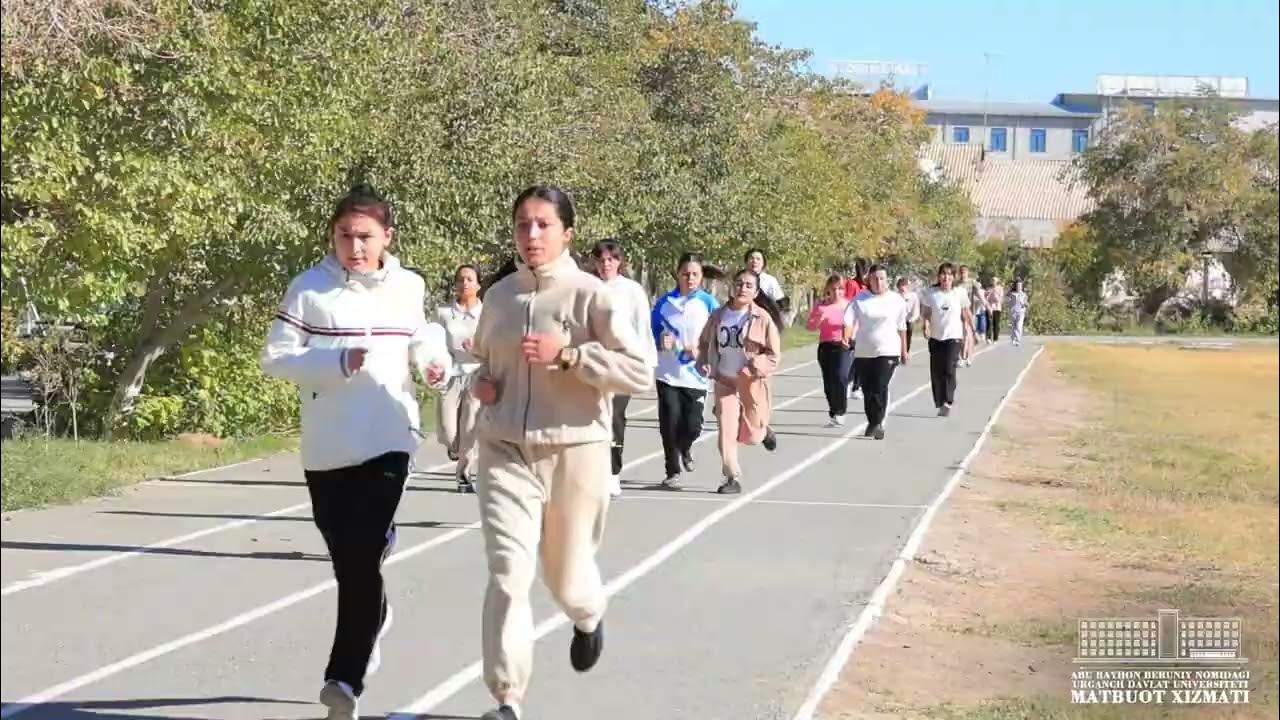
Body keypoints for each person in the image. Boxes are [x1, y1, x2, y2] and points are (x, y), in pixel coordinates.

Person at [261, 184, 451, 720]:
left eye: (365, 236)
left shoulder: (408, 287)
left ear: (387, 236)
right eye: (345, 235)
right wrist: (336, 361)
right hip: (328, 445)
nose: (355, 245)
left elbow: (424, 340)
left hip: (390, 436)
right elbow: (276, 358)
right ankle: (377, 613)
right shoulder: (310, 290)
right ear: (333, 238)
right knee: (348, 561)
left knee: (363, 557)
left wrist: (435, 366)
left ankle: (343, 679)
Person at [468, 186, 652, 720]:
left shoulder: (593, 295)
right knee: (508, 571)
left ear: (567, 232)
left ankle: (588, 614)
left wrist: (570, 355)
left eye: (543, 225)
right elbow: (487, 364)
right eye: (523, 225)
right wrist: (484, 385)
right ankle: (507, 697)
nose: (531, 235)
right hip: (504, 448)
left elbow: (639, 372)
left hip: (576, 451)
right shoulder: (499, 297)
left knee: (567, 578)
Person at [697, 269, 781, 493]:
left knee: (752, 436)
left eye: (748, 286)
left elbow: (773, 355)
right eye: (739, 284)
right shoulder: (718, 316)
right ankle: (731, 477)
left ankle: (764, 432)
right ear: (732, 287)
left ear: (755, 292)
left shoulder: (762, 318)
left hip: (750, 382)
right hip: (725, 380)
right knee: (726, 428)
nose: (743, 288)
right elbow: (704, 344)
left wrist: (757, 364)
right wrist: (704, 361)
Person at [590, 239, 657, 497]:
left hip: (622, 362)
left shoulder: (632, 291)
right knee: (592, 417)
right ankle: (592, 471)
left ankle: (612, 472)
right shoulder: (587, 287)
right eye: (601, 260)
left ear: (619, 261)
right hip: (593, 361)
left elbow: (642, 329)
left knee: (615, 416)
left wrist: (646, 365)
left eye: (611, 259)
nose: (606, 264)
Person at [651, 253, 719, 488]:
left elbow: (719, 335)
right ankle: (672, 470)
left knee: (692, 425)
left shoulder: (709, 303)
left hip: (697, 375)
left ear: (701, 277)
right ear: (677, 274)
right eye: (685, 274)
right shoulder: (664, 303)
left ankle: (685, 448)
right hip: (668, 373)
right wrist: (660, 339)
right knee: (669, 422)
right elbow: (650, 332)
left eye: (694, 274)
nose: (689, 278)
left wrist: (702, 351)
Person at [844, 265, 908, 440]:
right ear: (869, 280)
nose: (879, 282)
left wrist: (904, 350)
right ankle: (872, 422)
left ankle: (879, 422)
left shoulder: (896, 300)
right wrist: (846, 336)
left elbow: (902, 327)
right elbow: (849, 319)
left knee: (880, 385)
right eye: (875, 279)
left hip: (888, 350)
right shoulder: (860, 299)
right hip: (864, 351)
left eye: (882, 279)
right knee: (868, 389)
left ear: (887, 281)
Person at [437, 264, 484, 492]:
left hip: (477, 374)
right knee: (448, 432)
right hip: (451, 374)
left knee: (470, 428)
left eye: (469, 279)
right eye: (461, 279)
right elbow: (433, 343)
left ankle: (464, 474)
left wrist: (479, 347)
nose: (465, 283)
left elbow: (497, 345)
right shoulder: (444, 313)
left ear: (478, 284)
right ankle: (454, 448)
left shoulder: (487, 314)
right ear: (455, 284)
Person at [920, 263, 974, 418]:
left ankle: (948, 401)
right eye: (943, 274)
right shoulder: (931, 293)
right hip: (936, 336)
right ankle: (940, 401)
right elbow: (926, 312)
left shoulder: (959, 292)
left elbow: (966, 312)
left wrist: (973, 331)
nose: (946, 277)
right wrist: (925, 325)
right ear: (939, 276)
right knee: (937, 371)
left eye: (949, 274)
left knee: (949, 369)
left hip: (954, 336)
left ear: (953, 277)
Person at [807, 275, 853, 427]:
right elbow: (811, 327)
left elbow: (855, 324)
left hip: (843, 346)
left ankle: (841, 411)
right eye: (833, 289)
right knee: (829, 383)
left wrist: (848, 337)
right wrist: (819, 317)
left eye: (840, 289)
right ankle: (834, 411)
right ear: (828, 290)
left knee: (841, 377)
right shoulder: (821, 305)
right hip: (826, 347)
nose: (837, 292)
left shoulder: (849, 305)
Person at [843, 258, 869, 399]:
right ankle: (849, 382)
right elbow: (847, 306)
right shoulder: (852, 284)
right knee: (853, 357)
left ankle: (857, 386)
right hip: (854, 327)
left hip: (866, 328)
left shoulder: (869, 287)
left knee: (863, 358)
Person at [745, 247, 789, 313]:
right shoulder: (739, 278)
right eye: (752, 258)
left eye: (758, 259)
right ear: (746, 261)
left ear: (763, 263)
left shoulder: (770, 280)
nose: (754, 261)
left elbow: (780, 303)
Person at [957, 265, 982, 365]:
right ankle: (964, 356)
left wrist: (986, 304)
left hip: (969, 311)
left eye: (964, 272)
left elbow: (979, 294)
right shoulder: (957, 284)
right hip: (958, 312)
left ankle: (965, 357)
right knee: (961, 336)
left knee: (966, 334)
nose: (963, 274)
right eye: (961, 272)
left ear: (967, 273)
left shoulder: (972, 283)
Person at [896, 276, 921, 354]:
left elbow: (916, 311)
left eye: (905, 285)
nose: (903, 288)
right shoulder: (895, 296)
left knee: (909, 328)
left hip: (908, 320)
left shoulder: (913, 296)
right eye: (901, 285)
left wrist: (912, 319)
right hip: (897, 320)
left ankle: (906, 350)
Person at [1008, 279, 1030, 346]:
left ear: (1022, 286)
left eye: (1020, 285)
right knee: (1013, 327)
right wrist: (1009, 301)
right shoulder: (1011, 294)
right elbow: (1006, 301)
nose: (1019, 287)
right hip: (1013, 312)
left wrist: (1024, 304)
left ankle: (1018, 340)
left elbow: (1027, 304)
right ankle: (1013, 339)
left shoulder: (1024, 294)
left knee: (1019, 326)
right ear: (1015, 286)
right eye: (1017, 285)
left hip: (1021, 312)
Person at [986, 276, 1005, 343]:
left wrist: (995, 293)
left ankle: (995, 338)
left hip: (997, 308)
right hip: (989, 307)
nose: (993, 281)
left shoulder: (1000, 289)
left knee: (995, 324)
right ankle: (988, 337)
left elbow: (1000, 299)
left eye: (994, 280)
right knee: (988, 323)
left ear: (997, 281)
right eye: (992, 280)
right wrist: (988, 294)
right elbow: (986, 298)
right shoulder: (989, 289)